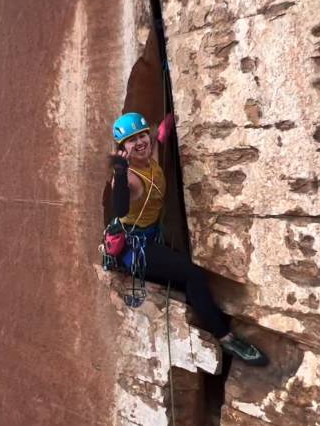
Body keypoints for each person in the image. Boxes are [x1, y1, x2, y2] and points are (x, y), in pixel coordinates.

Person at [109, 112, 268, 366]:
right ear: (123, 149)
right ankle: (225, 338)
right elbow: (119, 207)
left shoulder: (150, 160)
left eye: (142, 136)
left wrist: (165, 129)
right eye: (131, 140)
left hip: (150, 239)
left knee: (184, 271)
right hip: (136, 251)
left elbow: (158, 142)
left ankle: (206, 312)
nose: (140, 142)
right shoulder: (128, 177)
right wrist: (118, 172)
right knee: (192, 275)